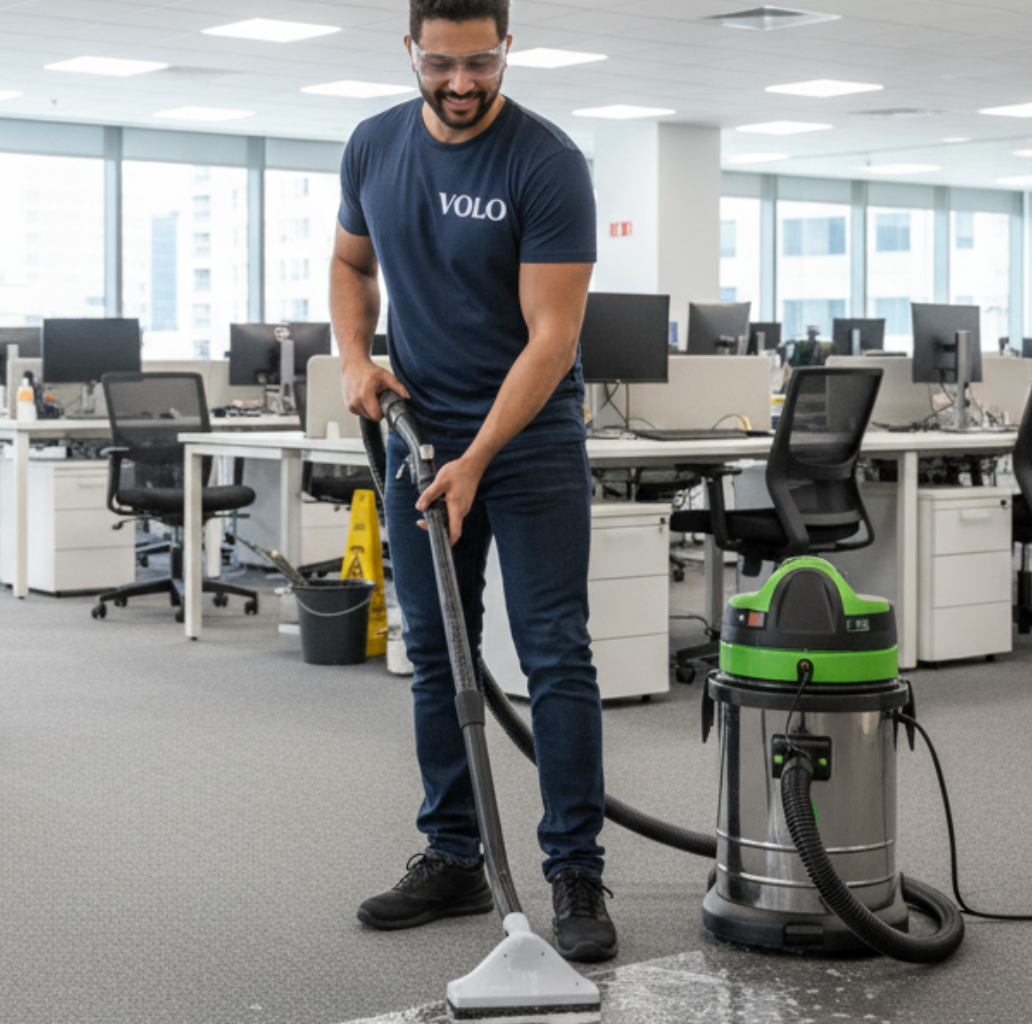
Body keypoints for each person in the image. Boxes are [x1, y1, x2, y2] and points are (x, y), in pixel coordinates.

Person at [333, 1, 615, 963]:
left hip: (526, 440)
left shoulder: (545, 163)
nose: (461, 84)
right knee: (440, 653)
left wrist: (477, 456)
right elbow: (347, 260)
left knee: (553, 655)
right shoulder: (372, 146)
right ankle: (451, 854)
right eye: (442, 64)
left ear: (508, 50)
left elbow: (554, 338)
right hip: (418, 434)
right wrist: (353, 355)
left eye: (481, 63)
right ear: (410, 49)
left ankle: (574, 868)